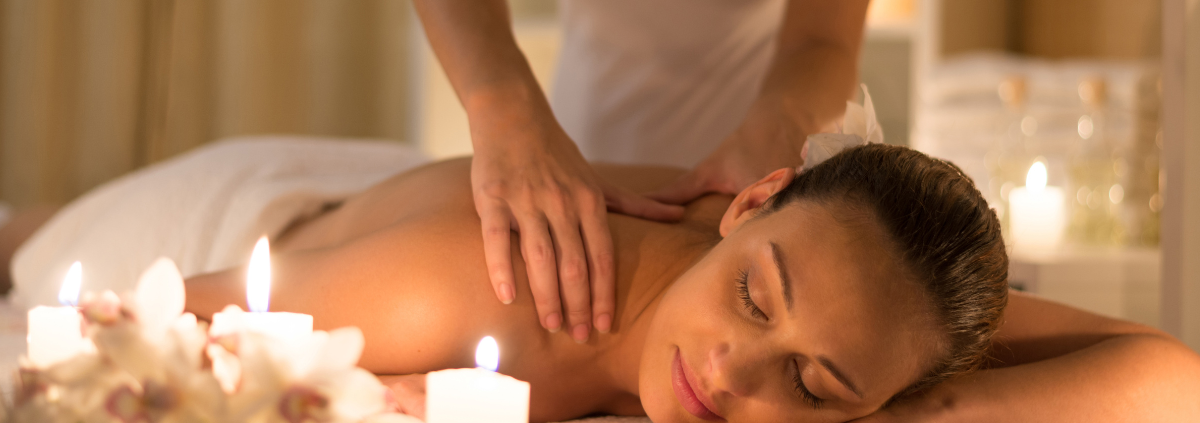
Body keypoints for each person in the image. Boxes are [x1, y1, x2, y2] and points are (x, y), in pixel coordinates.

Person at [4, 140, 1198, 421]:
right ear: (746, 204)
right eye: (752, 297)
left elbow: (1171, 378)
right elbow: (158, 338)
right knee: (26, 252)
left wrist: (898, 400)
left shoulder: (869, 297)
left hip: (397, 202)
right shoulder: (471, 293)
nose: (735, 375)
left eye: (818, 387)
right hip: (263, 221)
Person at [412, 0, 872, 343]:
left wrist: (782, 123)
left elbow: (823, 39)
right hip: (564, 153)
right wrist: (501, 105)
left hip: (746, 167)